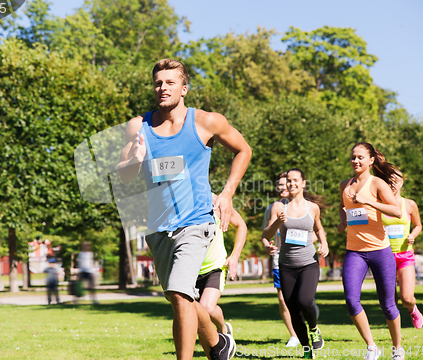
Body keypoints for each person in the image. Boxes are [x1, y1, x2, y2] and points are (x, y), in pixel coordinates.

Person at [117, 58, 252, 360]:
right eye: (157, 83)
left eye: (169, 82)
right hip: (159, 228)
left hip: (196, 222)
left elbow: (244, 150)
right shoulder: (138, 126)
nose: (162, 88)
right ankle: (218, 345)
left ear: (184, 88)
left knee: (180, 293)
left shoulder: (206, 122)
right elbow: (123, 174)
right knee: (182, 300)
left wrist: (228, 192)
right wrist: (134, 160)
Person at [337, 142, 404, 360]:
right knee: (351, 300)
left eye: (360, 157)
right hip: (354, 251)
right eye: (353, 157)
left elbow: (395, 210)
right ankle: (371, 346)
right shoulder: (344, 185)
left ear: (371, 160)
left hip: (380, 250)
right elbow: (343, 205)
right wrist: (342, 221)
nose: (355, 161)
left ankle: (397, 348)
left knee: (387, 305)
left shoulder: (377, 184)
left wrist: (370, 202)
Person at [263, 168, 329, 359]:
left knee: (305, 300)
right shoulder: (278, 207)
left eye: (295, 180)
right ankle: (306, 348)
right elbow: (266, 235)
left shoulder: (312, 208)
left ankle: (314, 328)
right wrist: (277, 223)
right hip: (286, 265)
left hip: (309, 263)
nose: (292, 184)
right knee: (293, 309)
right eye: (289, 181)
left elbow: (319, 227)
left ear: (303, 183)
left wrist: (324, 244)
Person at [196, 194, 247, 340]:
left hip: (215, 266)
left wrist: (235, 255)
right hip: (191, 268)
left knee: (207, 307)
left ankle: (222, 328)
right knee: (195, 310)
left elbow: (241, 225)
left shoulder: (217, 202)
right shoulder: (181, 199)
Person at [261, 172, 300, 347]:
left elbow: (315, 233)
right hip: (279, 258)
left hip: (300, 257)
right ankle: (294, 335)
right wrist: (267, 245)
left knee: (302, 299)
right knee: (283, 298)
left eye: (285, 184)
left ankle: (310, 324)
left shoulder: (302, 207)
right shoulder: (272, 208)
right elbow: (265, 234)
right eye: (279, 185)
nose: (282, 187)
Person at [382, 174, 423, 328]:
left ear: (401, 183)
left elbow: (418, 225)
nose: (392, 184)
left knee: (406, 298)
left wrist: (412, 235)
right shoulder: (379, 206)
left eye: (395, 181)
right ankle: (395, 332)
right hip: (384, 256)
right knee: (390, 301)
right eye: (388, 181)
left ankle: (413, 309)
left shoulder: (410, 204)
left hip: (405, 255)